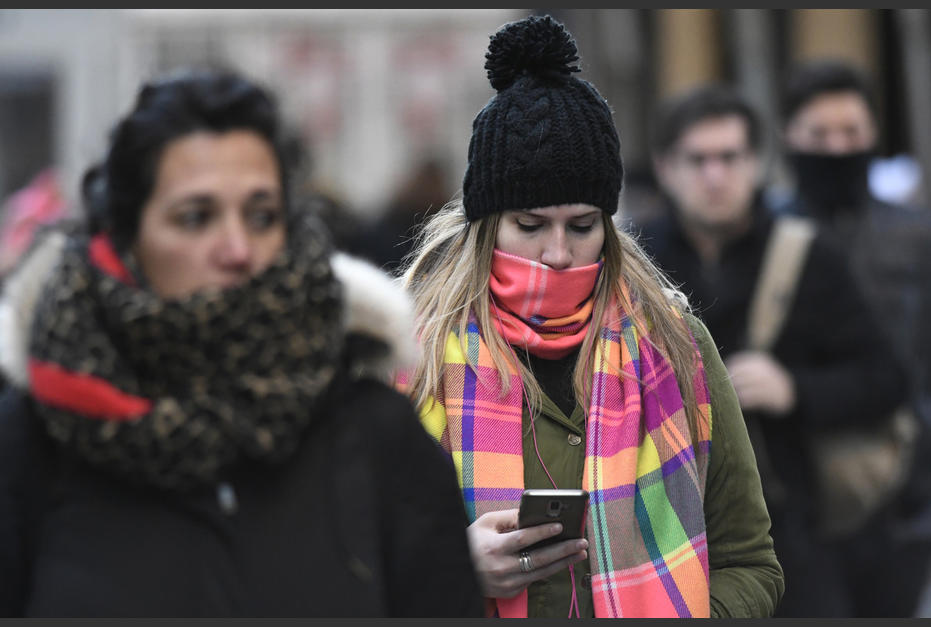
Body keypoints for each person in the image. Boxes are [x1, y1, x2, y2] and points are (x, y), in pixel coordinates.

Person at [0, 69, 483, 617]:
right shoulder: (33, 440)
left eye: (261, 216)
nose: (237, 248)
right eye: (196, 217)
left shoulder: (376, 440)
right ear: (128, 237)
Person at [397, 15, 783, 619]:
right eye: (529, 225)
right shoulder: (409, 358)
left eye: (581, 227)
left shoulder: (677, 345)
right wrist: (456, 568)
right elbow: (352, 569)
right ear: (486, 225)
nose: (557, 252)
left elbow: (750, 563)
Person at [635, 84, 906, 617]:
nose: (715, 176)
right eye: (698, 159)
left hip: (798, 533)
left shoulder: (807, 255)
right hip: (665, 531)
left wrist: (794, 389)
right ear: (666, 168)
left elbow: (886, 378)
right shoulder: (636, 264)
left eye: (730, 157)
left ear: (757, 163)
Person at [776, 59, 931, 617]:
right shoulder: (773, 238)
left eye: (851, 133)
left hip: (907, 495)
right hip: (801, 497)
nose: (837, 148)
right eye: (819, 135)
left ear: (873, 135)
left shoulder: (918, 238)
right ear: (789, 138)